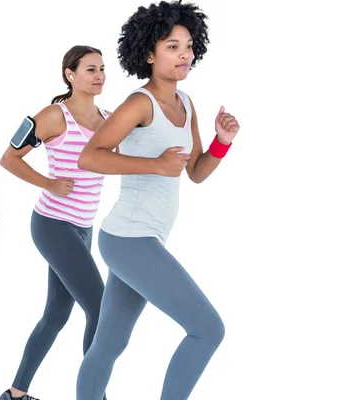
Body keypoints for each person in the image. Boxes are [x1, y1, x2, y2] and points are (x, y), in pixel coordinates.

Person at [74, 1, 241, 399]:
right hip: (129, 239)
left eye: (188, 45)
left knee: (109, 345)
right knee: (207, 329)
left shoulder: (186, 104)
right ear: (149, 53)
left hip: (141, 239)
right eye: (172, 46)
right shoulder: (138, 103)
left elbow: (196, 171)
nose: (185, 54)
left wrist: (222, 142)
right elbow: (90, 157)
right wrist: (153, 164)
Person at [0, 45, 111, 400]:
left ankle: (15, 395)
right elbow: (8, 158)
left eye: (102, 69)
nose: (99, 76)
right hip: (52, 225)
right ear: (70, 74)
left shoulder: (109, 119)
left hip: (83, 227)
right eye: (91, 69)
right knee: (100, 307)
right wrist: (49, 183)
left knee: (57, 316)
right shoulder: (53, 116)